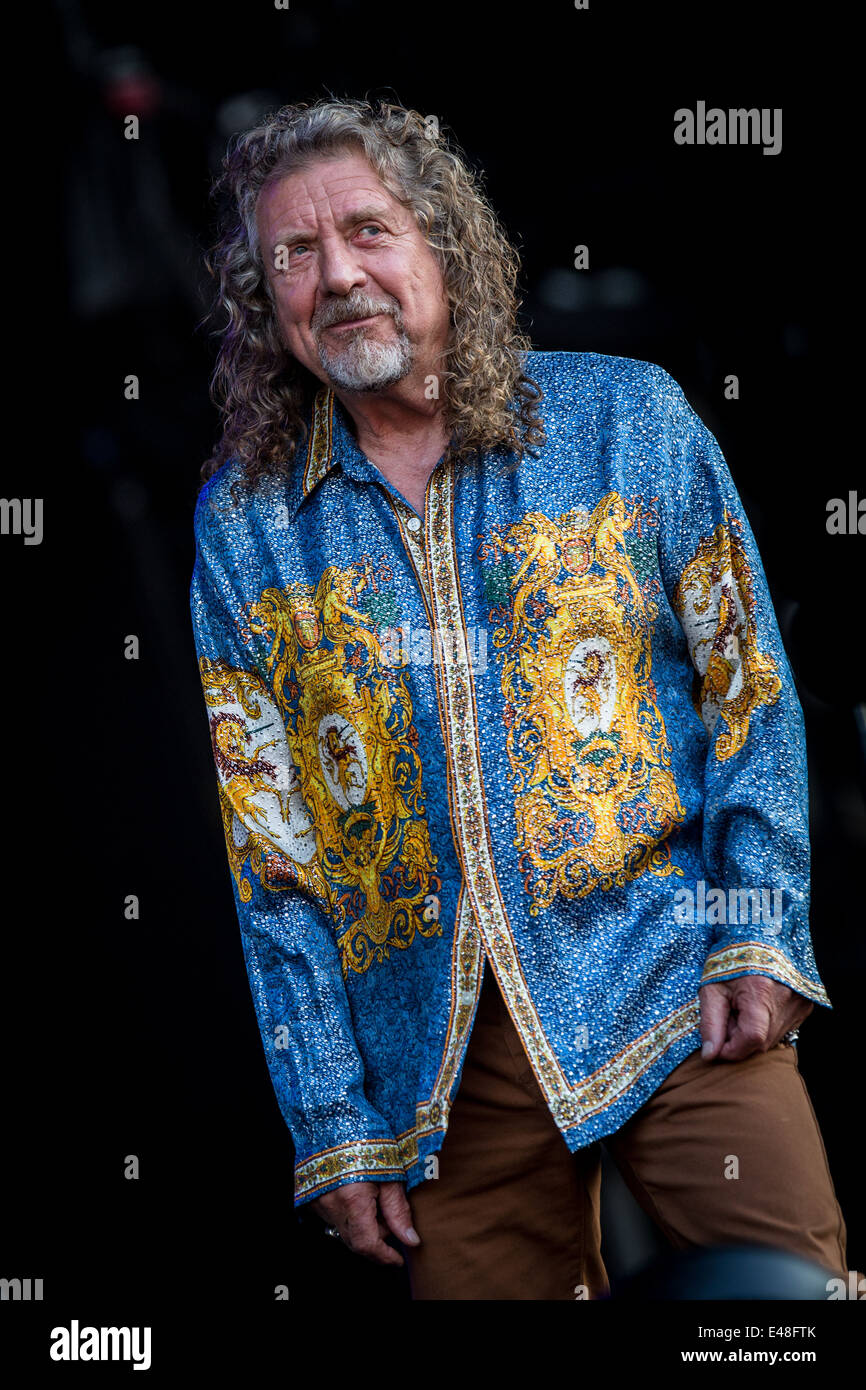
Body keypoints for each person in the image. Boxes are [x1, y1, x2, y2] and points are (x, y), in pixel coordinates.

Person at [189, 97, 858, 1299]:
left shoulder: (623, 419)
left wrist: (756, 931)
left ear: (441, 241)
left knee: (785, 1309)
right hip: (438, 1079)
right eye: (294, 254)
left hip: (676, 989)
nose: (338, 274)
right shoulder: (246, 529)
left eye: (368, 230)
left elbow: (746, 689)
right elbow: (271, 855)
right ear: (264, 302)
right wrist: (333, 1116)